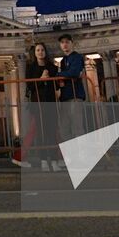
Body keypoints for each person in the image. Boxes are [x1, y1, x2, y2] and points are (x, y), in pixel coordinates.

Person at [21, 42, 60, 170]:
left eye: (42, 49)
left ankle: (54, 160)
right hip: (37, 103)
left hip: (50, 102)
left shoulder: (52, 67)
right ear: (35, 52)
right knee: (41, 132)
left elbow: (57, 85)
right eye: (38, 50)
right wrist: (41, 79)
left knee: (52, 131)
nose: (40, 52)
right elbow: (30, 86)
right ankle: (43, 160)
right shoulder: (31, 68)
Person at [57, 34, 88, 143]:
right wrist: (63, 75)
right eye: (62, 42)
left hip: (76, 95)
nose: (64, 44)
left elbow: (74, 72)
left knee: (77, 127)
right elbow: (70, 74)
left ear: (71, 43)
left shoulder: (77, 57)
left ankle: (82, 154)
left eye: (67, 42)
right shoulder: (62, 61)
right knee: (64, 128)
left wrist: (59, 74)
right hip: (65, 96)